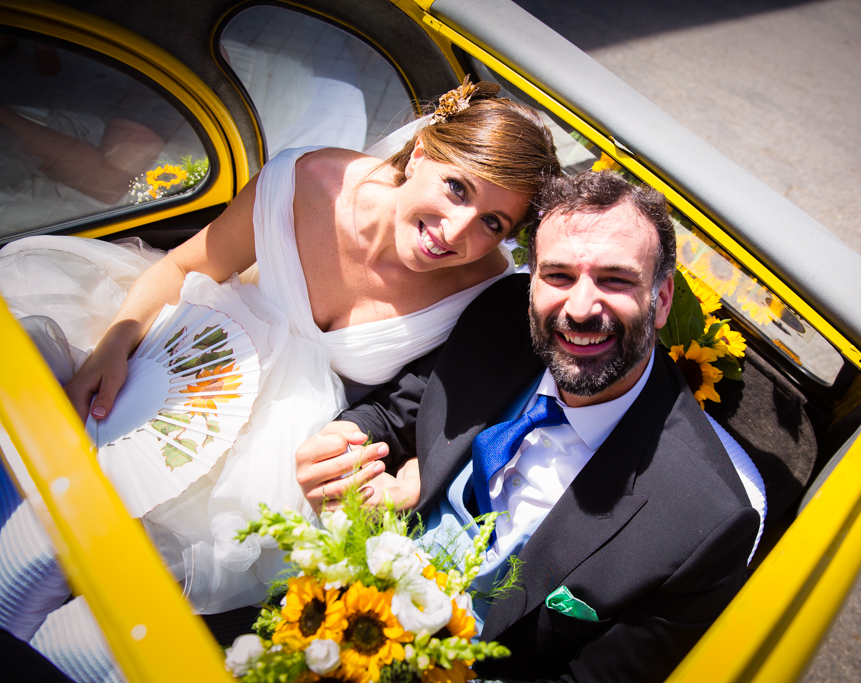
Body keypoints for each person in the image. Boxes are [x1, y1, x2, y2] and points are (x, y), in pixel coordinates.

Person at [0, 77, 560, 680]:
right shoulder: (308, 182)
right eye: (456, 189)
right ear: (421, 153)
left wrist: (405, 480)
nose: (457, 233)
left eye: (494, 224)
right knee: (38, 548)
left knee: (94, 638)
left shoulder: (486, 288)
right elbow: (188, 263)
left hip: (275, 465)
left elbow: (456, 416)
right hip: (188, 378)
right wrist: (114, 344)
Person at [297, 171, 760, 682]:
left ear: (663, 298)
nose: (581, 309)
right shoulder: (499, 317)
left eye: (616, 279)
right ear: (533, 279)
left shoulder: (707, 520)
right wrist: (342, 450)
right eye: (559, 276)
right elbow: (394, 413)